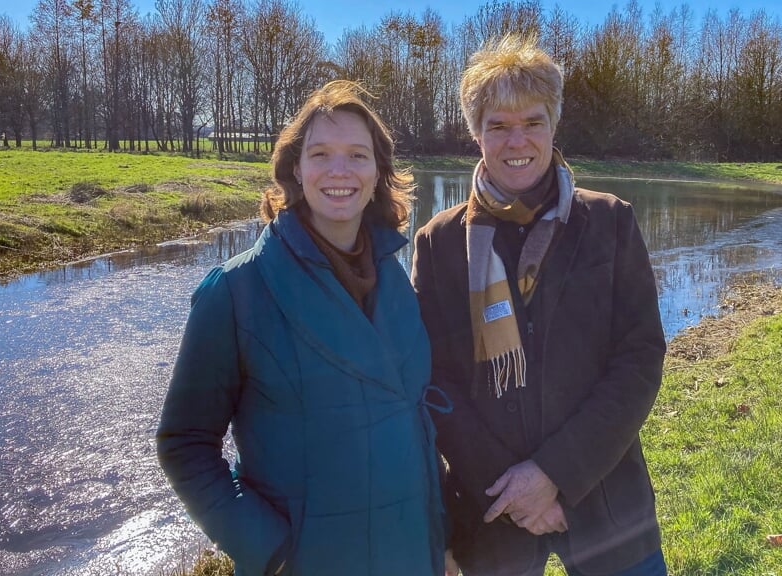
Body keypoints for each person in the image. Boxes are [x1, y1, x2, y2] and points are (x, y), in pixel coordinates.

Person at [157, 80, 447, 576]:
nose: (340, 171)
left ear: (378, 172)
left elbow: (418, 422)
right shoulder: (234, 292)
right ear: (296, 167)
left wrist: (441, 538)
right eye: (321, 154)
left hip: (410, 553)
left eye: (358, 155)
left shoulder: (396, 278)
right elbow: (184, 443)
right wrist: (271, 550)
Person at [412, 36, 668, 576]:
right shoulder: (437, 243)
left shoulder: (610, 222)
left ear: (554, 127)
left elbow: (639, 360)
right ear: (476, 133)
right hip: (493, 516)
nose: (516, 140)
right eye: (497, 125)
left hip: (608, 510)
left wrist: (553, 474)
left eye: (532, 122)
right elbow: (433, 381)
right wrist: (515, 491)